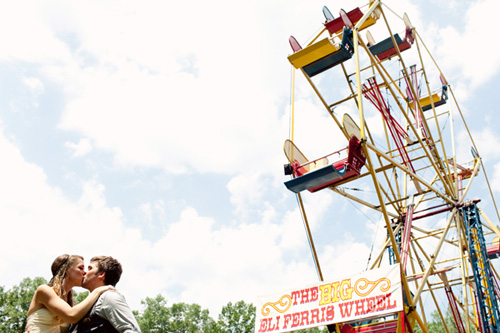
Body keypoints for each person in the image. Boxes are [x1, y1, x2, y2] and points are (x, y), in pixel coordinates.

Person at [26, 254, 115, 333]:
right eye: (80, 268)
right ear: (67, 269)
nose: (85, 272)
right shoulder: (44, 291)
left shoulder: (71, 305)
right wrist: (98, 290)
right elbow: (71, 316)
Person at [68, 256, 141, 333]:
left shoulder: (109, 297)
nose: (85, 272)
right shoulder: (90, 301)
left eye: (90, 268)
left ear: (101, 274)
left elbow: (132, 330)